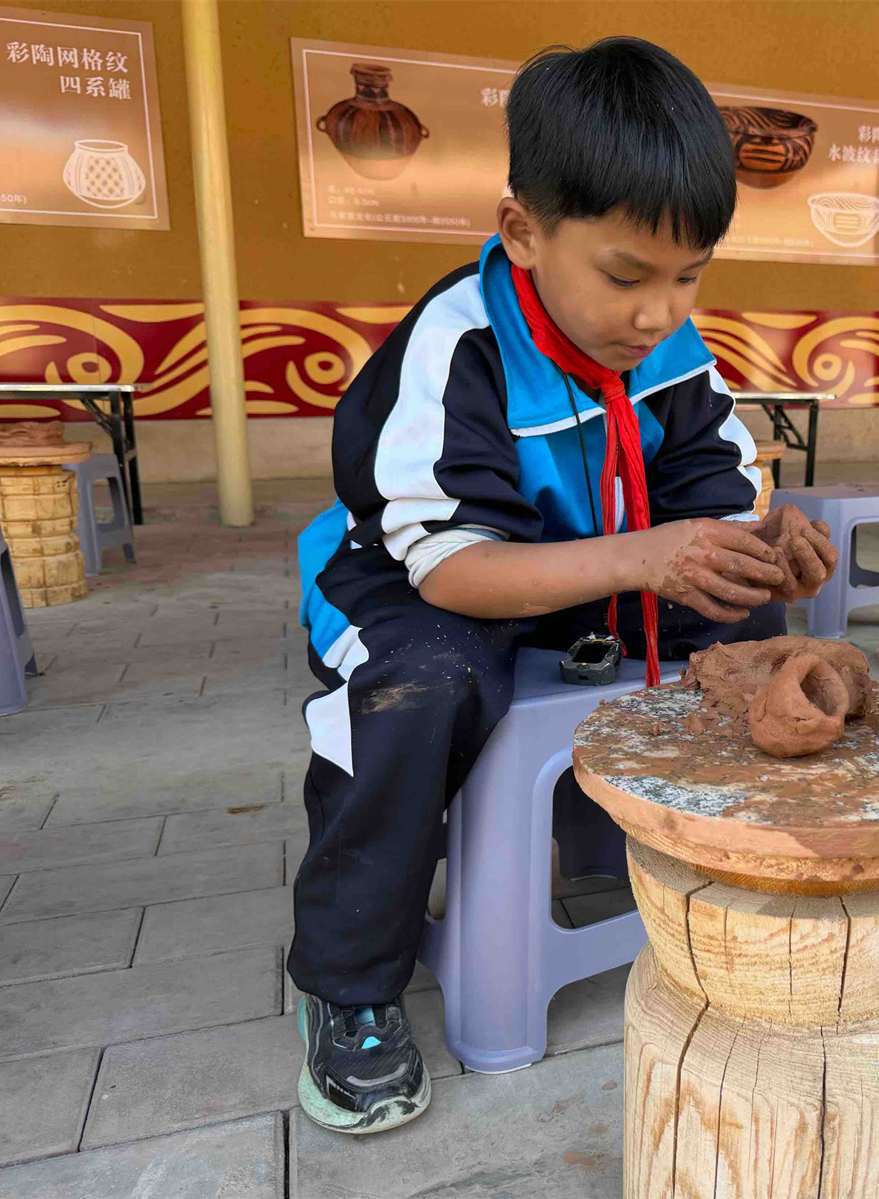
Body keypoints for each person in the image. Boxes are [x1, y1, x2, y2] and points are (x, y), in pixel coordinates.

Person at [287, 38, 837, 1135]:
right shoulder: (460, 346)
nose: (657, 313)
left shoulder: (671, 353)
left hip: (579, 567)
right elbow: (452, 565)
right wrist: (644, 554)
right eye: (627, 275)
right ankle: (349, 983)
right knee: (422, 687)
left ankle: (656, 854)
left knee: (748, 618)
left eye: (690, 276)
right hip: (411, 582)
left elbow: (707, 505)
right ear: (523, 231)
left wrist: (762, 545)